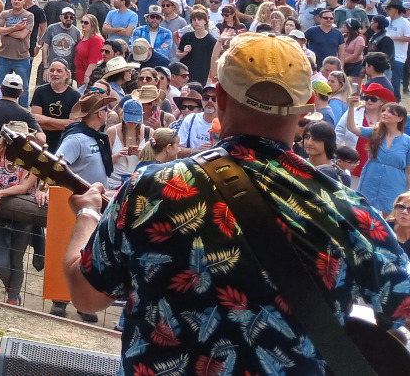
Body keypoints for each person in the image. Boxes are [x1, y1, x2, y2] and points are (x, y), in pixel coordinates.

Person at [63, 32, 410, 376]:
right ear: (305, 112)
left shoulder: (152, 187)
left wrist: (87, 213)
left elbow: (87, 298)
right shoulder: (348, 211)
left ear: (222, 97)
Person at [0, 121, 45, 306]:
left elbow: (24, 187)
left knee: (16, 260)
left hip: (23, 217)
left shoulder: (34, 158)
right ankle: (11, 287)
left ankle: (13, 299)